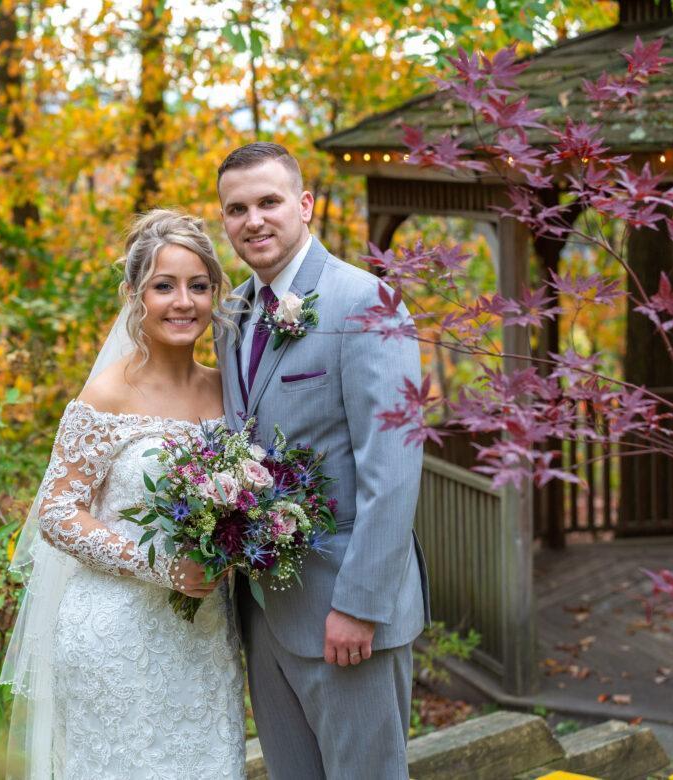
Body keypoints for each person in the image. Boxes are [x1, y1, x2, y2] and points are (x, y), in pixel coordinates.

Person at [1, 209, 246, 779]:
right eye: (164, 286)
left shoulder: (227, 391)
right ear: (135, 296)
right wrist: (162, 566)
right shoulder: (107, 394)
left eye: (198, 286)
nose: (183, 302)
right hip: (115, 637)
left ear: (215, 294)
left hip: (204, 635)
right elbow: (56, 513)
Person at [215, 142, 430, 779]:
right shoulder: (232, 315)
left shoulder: (366, 303)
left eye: (269, 201)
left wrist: (359, 606)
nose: (253, 220)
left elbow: (392, 471)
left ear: (305, 204)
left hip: (346, 612)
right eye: (237, 208)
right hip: (264, 613)